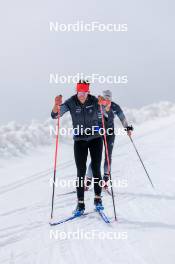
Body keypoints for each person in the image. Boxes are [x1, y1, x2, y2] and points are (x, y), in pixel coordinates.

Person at [51, 80, 107, 216]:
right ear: (77, 91)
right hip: (80, 140)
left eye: (85, 92)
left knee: (96, 168)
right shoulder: (71, 102)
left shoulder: (94, 100)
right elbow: (55, 115)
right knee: (80, 171)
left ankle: (98, 200)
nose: (82, 95)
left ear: (88, 92)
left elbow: (105, 111)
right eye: (80, 92)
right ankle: (80, 204)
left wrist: (103, 103)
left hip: (95, 138)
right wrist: (56, 105)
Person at [85, 89, 133, 190]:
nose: (106, 100)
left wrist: (127, 128)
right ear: (102, 98)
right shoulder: (97, 105)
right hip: (98, 133)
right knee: (96, 157)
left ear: (111, 98)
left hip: (110, 133)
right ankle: (88, 181)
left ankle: (105, 181)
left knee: (108, 155)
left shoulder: (115, 106)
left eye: (108, 98)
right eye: (105, 98)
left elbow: (122, 117)